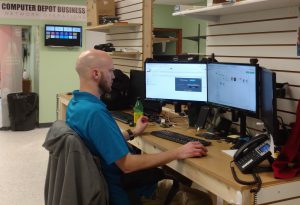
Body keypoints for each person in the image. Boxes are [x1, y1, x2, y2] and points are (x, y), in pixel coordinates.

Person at [66, 49, 208, 205]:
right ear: (96, 74)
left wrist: (133, 132)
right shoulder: (95, 113)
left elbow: (100, 142)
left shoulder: (77, 104)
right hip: (127, 191)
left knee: (176, 172)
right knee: (201, 199)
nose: (114, 76)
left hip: (118, 180)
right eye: (111, 71)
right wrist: (178, 152)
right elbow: (127, 165)